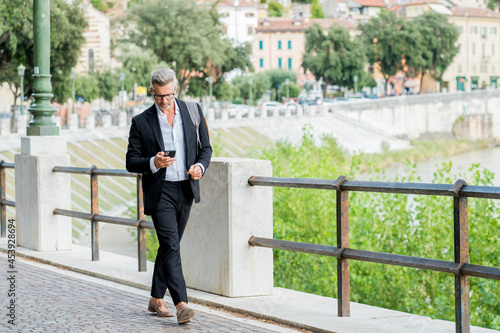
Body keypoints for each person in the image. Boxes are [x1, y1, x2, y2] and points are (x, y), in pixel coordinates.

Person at [126, 68, 212, 325]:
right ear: (151, 91)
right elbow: (131, 161)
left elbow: (205, 149)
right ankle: (181, 304)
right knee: (172, 245)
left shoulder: (193, 111)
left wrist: (200, 167)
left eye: (168, 95)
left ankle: (155, 298)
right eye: (158, 96)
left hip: (185, 188)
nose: (164, 101)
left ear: (176, 89)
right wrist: (154, 161)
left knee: (169, 246)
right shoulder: (141, 121)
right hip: (160, 192)